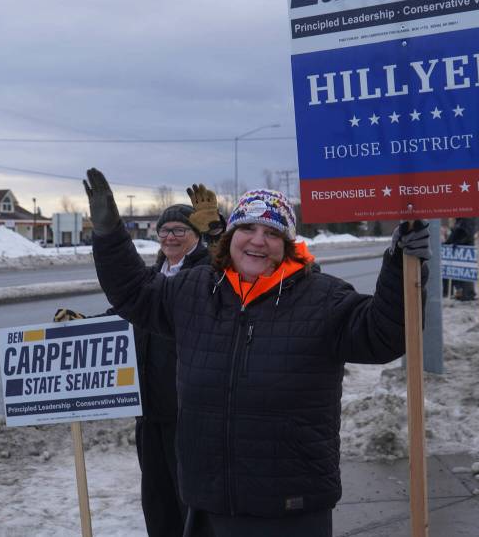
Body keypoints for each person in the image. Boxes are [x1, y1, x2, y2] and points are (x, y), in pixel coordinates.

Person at [83, 168, 430, 537]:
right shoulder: (196, 289)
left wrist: (399, 266)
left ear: (289, 244)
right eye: (248, 229)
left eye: (272, 233)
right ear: (230, 236)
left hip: (288, 506)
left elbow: (384, 335)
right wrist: (109, 234)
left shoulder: (323, 298)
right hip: (209, 499)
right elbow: (135, 294)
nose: (258, 241)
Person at [125, 194, 223, 537]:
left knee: (192, 502)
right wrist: (82, 325)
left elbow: (233, 270)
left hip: (189, 413)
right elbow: (129, 313)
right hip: (149, 412)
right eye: (163, 229)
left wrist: (216, 234)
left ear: (196, 233)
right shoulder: (153, 278)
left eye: (179, 229)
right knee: (157, 499)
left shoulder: (208, 274)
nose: (169, 236)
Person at [445, 217, 477, 301]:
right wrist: (447, 243)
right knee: (457, 273)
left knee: (465, 273)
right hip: (459, 251)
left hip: (466, 252)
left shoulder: (466, 220)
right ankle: (460, 293)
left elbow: (467, 235)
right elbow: (455, 234)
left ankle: (467, 294)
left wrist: (458, 242)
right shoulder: (459, 221)